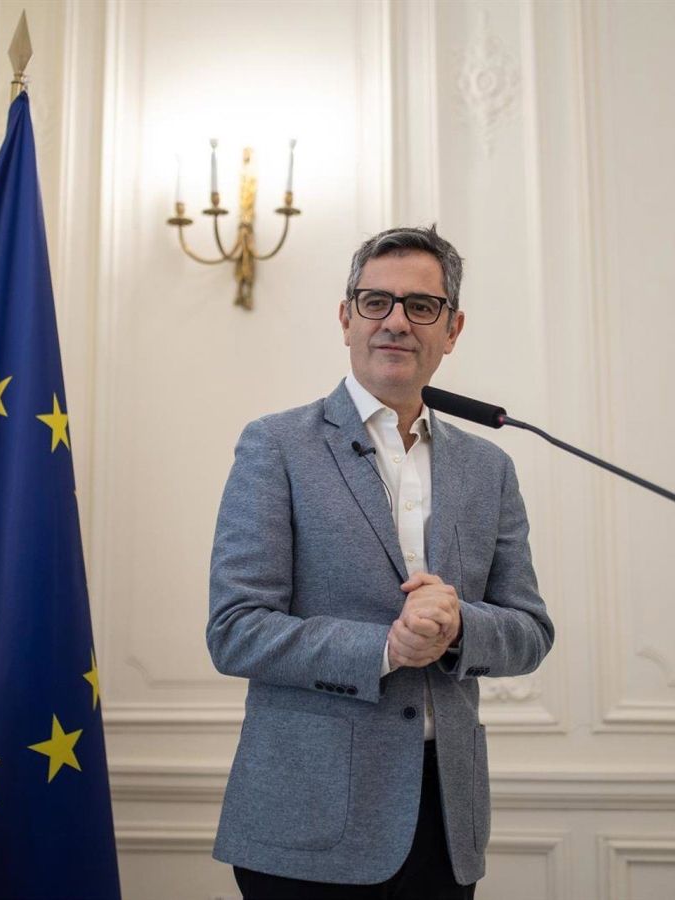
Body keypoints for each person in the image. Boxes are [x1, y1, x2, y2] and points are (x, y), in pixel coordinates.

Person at [207, 225, 554, 899]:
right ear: (346, 318)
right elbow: (236, 629)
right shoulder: (276, 446)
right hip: (306, 822)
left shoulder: (490, 467)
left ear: (452, 329)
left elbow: (531, 631)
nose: (396, 321)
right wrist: (386, 648)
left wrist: (459, 628)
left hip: (444, 823)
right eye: (376, 302)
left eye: (421, 306)